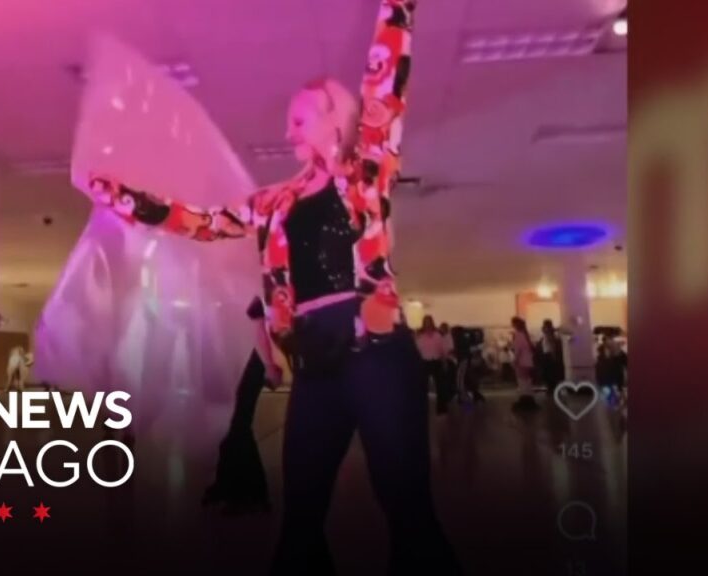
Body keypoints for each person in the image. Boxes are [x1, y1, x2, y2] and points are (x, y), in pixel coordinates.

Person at [83, 2, 459, 573]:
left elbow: (386, 79)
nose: (287, 130)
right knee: (300, 510)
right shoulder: (273, 204)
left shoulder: (368, 172)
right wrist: (127, 199)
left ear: (337, 118)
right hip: (318, 367)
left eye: (300, 118)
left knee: (406, 506)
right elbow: (204, 222)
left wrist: (397, 8)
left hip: (378, 357)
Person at [201, 296, 280, 514]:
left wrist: (269, 366)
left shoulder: (253, 283)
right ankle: (231, 485)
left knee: (239, 423)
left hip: (255, 359)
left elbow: (259, 328)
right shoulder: (235, 283)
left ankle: (250, 492)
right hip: (251, 357)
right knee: (236, 423)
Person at [416, 315, 450, 414]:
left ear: (432, 323)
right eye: (425, 322)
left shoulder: (437, 335)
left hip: (436, 362)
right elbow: (417, 351)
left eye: (429, 322)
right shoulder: (420, 336)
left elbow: (442, 350)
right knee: (423, 388)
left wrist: (444, 362)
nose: (427, 324)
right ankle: (422, 410)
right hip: (424, 363)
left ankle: (442, 410)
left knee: (441, 387)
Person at [511, 316, 538, 411]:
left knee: (522, 381)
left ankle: (524, 399)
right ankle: (530, 399)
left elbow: (518, 350)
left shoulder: (518, 335)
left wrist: (515, 360)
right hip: (528, 361)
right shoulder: (525, 335)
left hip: (521, 361)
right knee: (527, 381)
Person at [536, 319, 565, 393]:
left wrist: (553, 355)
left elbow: (552, 346)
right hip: (549, 355)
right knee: (550, 372)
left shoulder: (549, 335)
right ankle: (551, 387)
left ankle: (551, 387)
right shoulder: (549, 334)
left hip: (548, 355)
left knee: (549, 373)